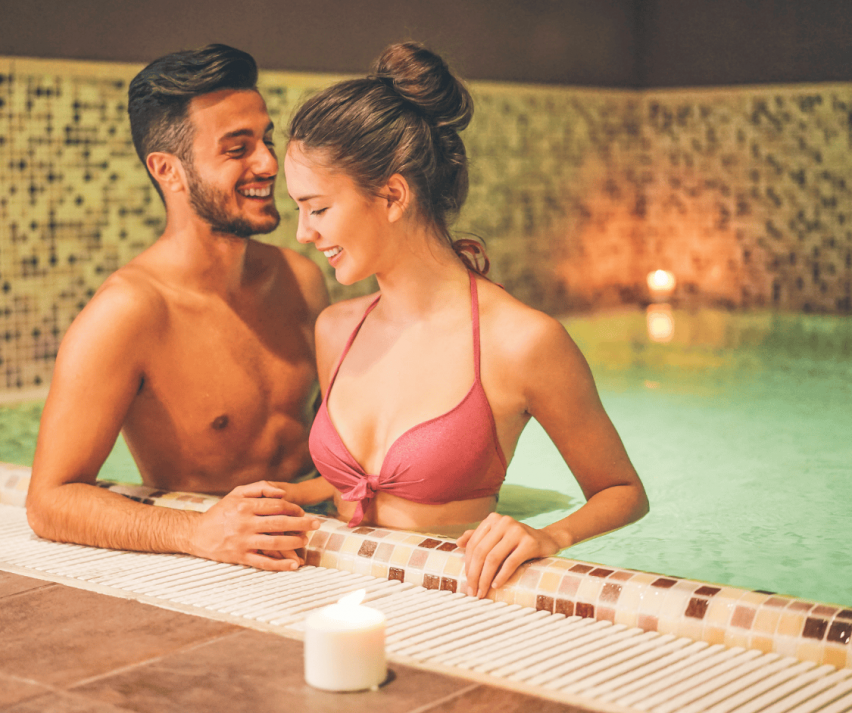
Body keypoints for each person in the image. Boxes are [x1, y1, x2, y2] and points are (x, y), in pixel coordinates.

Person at [275, 42, 649, 598]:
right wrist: (286, 499)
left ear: (393, 195)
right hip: (342, 591)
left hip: (457, 601)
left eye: (318, 208)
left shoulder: (521, 341)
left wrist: (547, 536)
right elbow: (353, 487)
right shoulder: (337, 329)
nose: (303, 232)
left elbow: (622, 491)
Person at [26, 45, 329, 571]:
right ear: (168, 171)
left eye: (266, 139)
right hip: (213, 562)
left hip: (319, 537)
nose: (268, 163)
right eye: (238, 149)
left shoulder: (300, 279)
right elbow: (49, 500)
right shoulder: (129, 314)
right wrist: (196, 532)